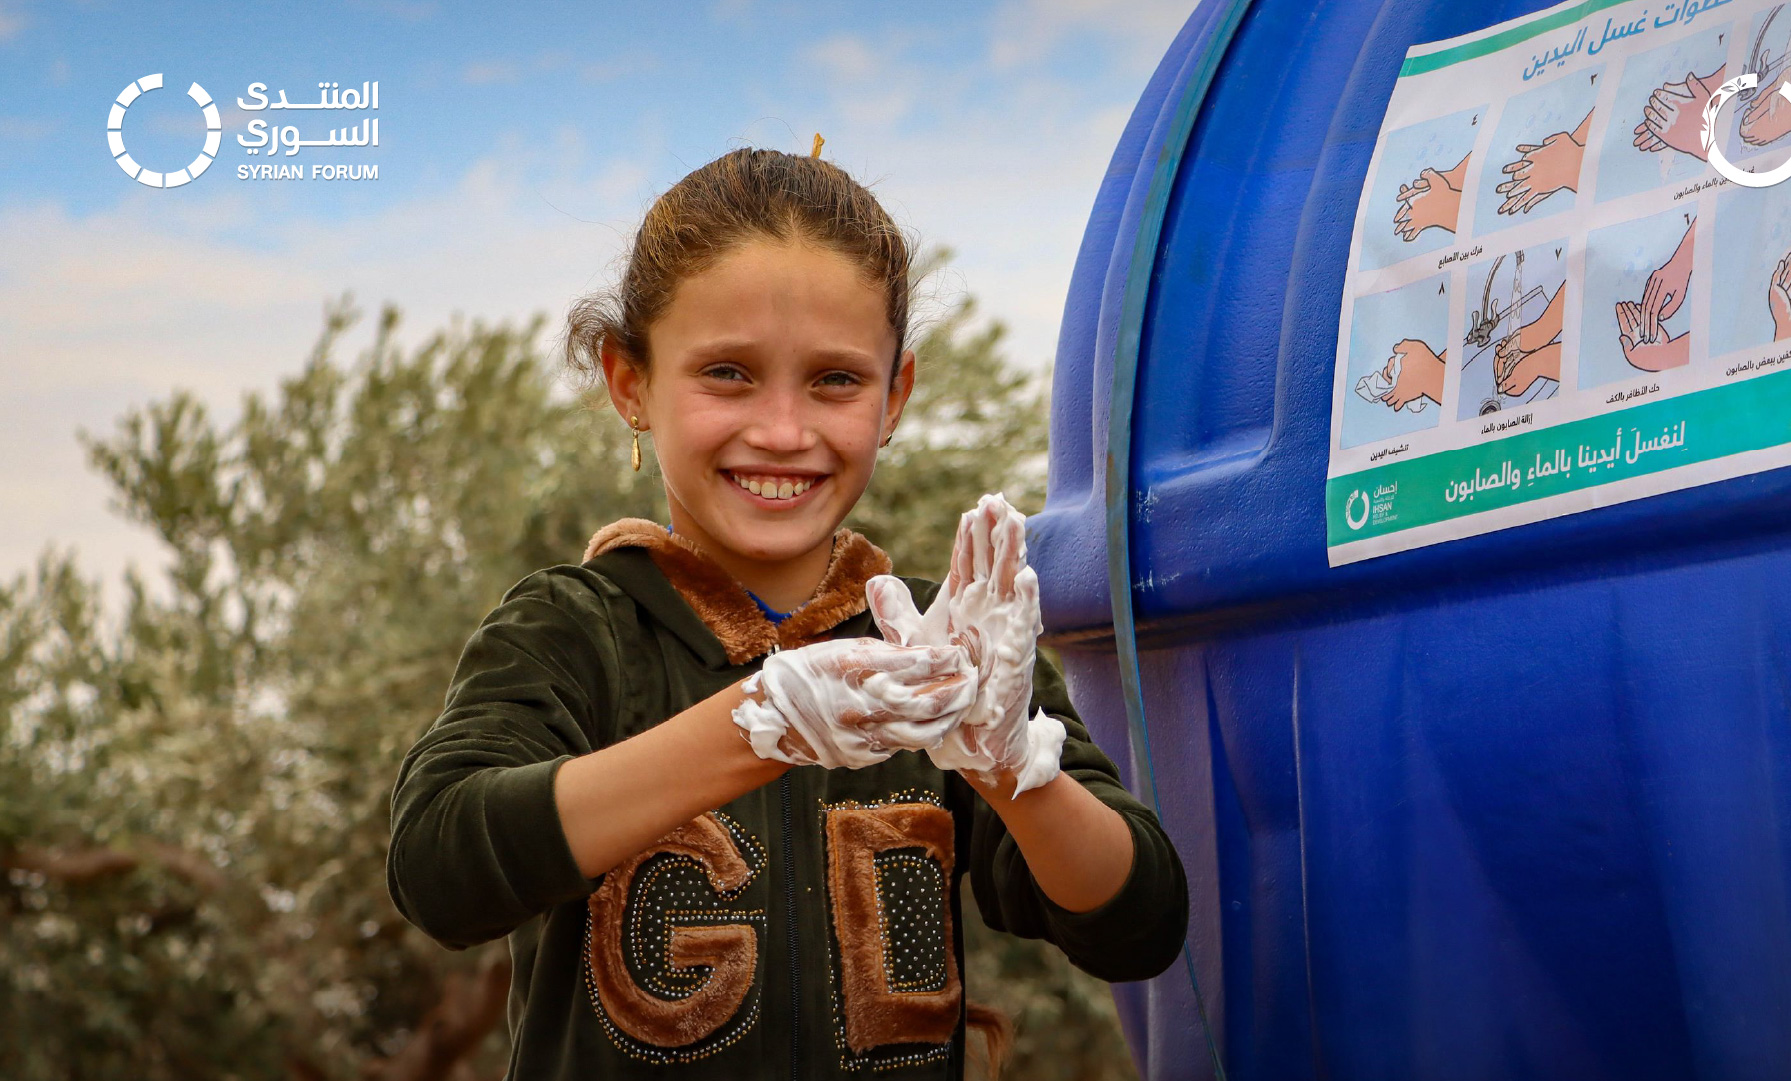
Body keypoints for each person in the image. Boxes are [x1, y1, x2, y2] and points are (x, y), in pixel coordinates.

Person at [385, 142, 1189, 1080]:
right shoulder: (571, 628)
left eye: (836, 380)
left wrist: (1011, 763)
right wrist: (757, 725)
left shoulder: (945, 647)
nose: (781, 430)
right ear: (629, 380)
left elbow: (1139, 925)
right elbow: (438, 865)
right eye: (727, 372)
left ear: (896, 397)